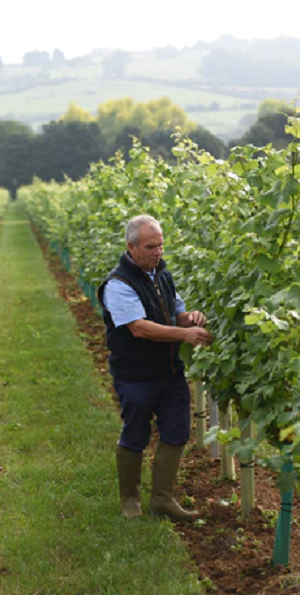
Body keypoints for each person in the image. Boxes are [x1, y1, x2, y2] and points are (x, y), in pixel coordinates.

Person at [97, 214, 214, 522]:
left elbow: (175, 313)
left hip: (169, 371)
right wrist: (186, 334)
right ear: (131, 247)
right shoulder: (118, 284)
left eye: (161, 245)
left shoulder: (161, 275)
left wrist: (191, 319)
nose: (158, 252)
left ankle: (162, 499)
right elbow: (139, 328)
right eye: (150, 247)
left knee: (176, 431)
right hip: (135, 374)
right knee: (135, 433)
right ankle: (130, 500)